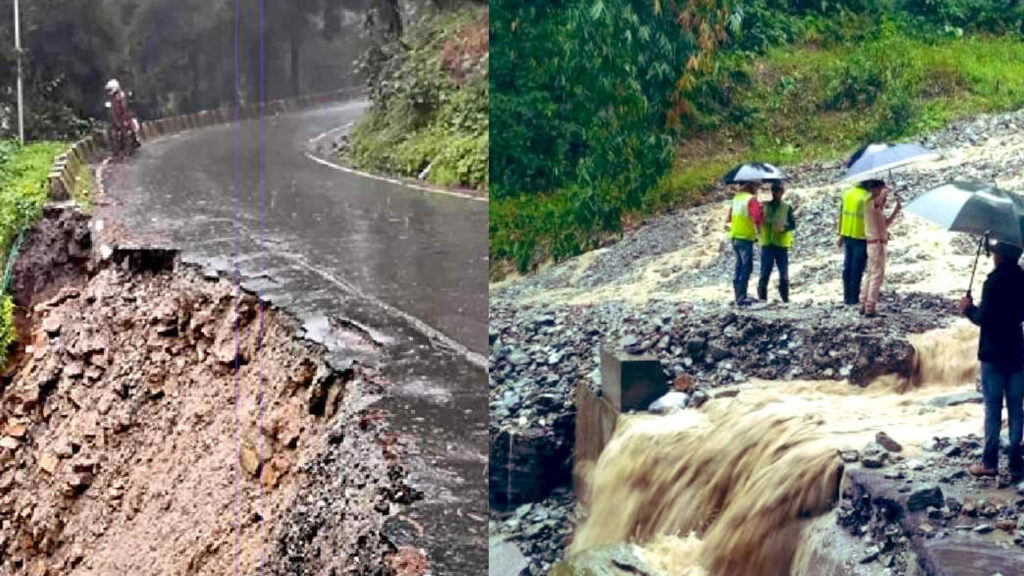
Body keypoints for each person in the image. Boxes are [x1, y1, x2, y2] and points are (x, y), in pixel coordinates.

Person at [958, 241, 1024, 479]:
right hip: (1017, 352)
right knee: (1017, 408)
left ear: (1001, 256)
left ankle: (990, 462)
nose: (993, 254)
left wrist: (968, 309)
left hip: (993, 353)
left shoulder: (992, 282)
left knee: (993, 409)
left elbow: (984, 318)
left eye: (995, 251)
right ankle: (1016, 462)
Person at [859, 180, 901, 317]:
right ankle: (870, 307)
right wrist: (886, 190)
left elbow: (885, 224)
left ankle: (863, 303)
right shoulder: (871, 203)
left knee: (871, 273)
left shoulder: (875, 208)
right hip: (877, 244)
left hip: (874, 244)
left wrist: (896, 210)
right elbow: (879, 198)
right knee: (877, 275)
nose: (885, 200)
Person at [757, 181, 795, 303]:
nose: (777, 194)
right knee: (764, 274)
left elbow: (792, 224)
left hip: (781, 245)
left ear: (782, 193)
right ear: (772, 192)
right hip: (767, 244)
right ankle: (762, 298)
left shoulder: (787, 207)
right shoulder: (764, 206)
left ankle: (785, 298)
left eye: (779, 191)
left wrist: (784, 228)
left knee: (784, 275)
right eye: (775, 191)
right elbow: (757, 219)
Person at [726, 181, 763, 306]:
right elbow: (757, 218)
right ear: (751, 187)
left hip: (735, 236)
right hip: (745, 237)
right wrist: (759, 233)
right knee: (747, 267)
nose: (757, 190)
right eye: (756, 187)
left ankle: (738, 296)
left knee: (739, 266)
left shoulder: (736, 198)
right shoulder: (750, 199)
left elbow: (729, 217)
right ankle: (742, 297)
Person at [837, 181, 872, 306]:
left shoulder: (847, 194)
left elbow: (841, 215)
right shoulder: (868, 197)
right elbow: (871, 219)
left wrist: (840, 235)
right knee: (857, 269)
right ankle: (854, 298)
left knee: (847, 268)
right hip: (861, 237)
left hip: (847, 234)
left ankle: (846, 298)